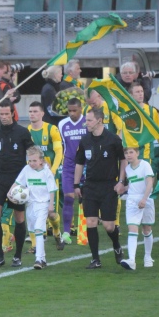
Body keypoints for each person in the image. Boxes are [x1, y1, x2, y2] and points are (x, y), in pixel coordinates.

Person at [74, 107, 127, 269]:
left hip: (108, 186)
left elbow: (123, 160)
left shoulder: (113, 139)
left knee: (108, 226)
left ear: (99, 120)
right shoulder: (85, 140)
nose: (86, 123)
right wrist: (76, 184)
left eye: (89, 120)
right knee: (90, 221)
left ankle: (117, 246)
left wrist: (121, 181)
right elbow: (79, 163)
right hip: (90, 186)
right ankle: (95, 259)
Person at [0, 101, 35, 268]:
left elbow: (32, 153)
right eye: (1, 114)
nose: (4, 117)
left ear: (13, 113)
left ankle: (18, 255)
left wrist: (33, 174)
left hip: (17, 182)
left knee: (19, 218)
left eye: (7, 114)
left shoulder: (22, 133)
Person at [10, 146, 58, 270]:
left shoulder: (47, 172)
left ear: (41, 160)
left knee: (38, 229)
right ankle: (43, 258)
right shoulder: (26, 169)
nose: (31, 163)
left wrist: (51, 205)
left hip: (43, 204)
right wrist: (9, 193)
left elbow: (52, 189)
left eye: (34, 161)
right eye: (29, 161)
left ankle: (38, 259)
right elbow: (18, 183)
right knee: (32, 230)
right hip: (30, 204)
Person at [27, 101, 65, 250]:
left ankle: (56, 232)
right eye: (30, 111)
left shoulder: (51, 129)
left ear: (42, 113)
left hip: (49, 177)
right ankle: (36, 245)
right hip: (33, 178)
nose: (32, 114)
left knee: (51, 213)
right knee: (33, 212)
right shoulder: (27, 131)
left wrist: (53, 170)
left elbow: (58, 151)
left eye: (35, 111)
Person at [118, 147, 156, 270]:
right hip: (132, 200)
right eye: (126, 153)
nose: (128, 155)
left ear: (137, 153)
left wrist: (144, 199)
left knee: (146, 229)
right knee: (132, 228)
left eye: (131, 152)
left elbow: (149, 183)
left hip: (147, 199)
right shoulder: (127, 169)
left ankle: (148, 257)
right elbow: (133, 184)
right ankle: (131, 260)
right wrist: (124, 189)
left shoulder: (145, 165)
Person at [57, 97, 87, 244]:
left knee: (87, 200)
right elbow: (62, 145)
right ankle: (67, 232)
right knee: (69, 196)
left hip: (87, 165)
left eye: (74, 110)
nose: (72, 113)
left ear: (81, 109)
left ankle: (85, 231)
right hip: (69, 165)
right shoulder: (62, 124)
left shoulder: (88, 122)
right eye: (69, 111)